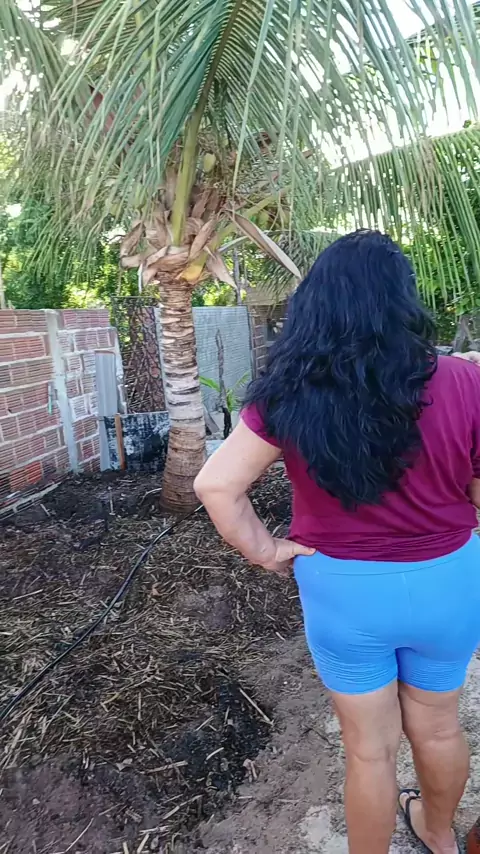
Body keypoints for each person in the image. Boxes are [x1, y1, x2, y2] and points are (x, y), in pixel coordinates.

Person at [194, 230, 480, 854]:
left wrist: (266, 551)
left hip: (344, 591)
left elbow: (216, 484)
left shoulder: (290, 392)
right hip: (448, 580)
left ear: (316, 304)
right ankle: (438, 835)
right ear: (405, 301)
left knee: (369, 752)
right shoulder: (466, 381)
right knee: (438, 729)